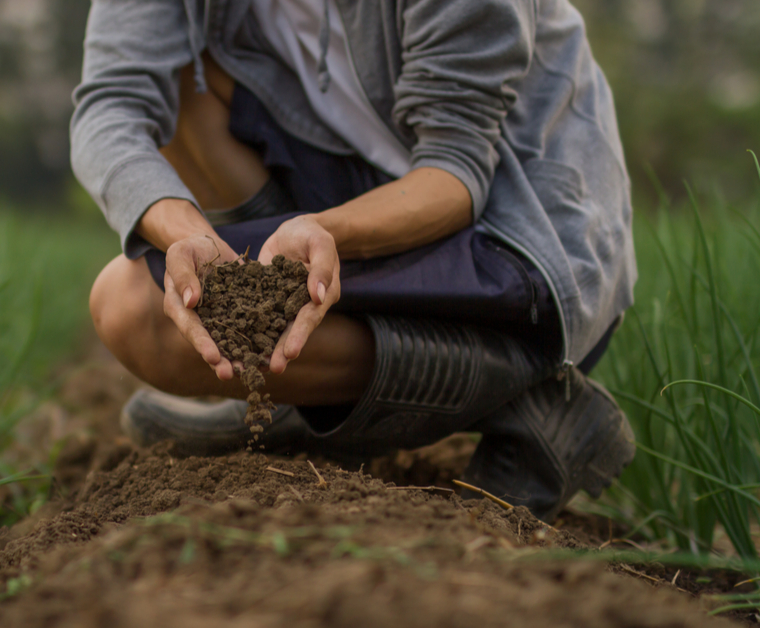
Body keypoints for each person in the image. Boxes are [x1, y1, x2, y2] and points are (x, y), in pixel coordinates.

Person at [72, 0, 637, 522]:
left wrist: (326, 232)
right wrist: (190, 238)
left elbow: (457, 167)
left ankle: (526, 394)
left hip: (515, 230)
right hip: (352, 179)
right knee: (182, 91)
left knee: (133, 311)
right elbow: (111, 104)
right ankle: (306, 388)